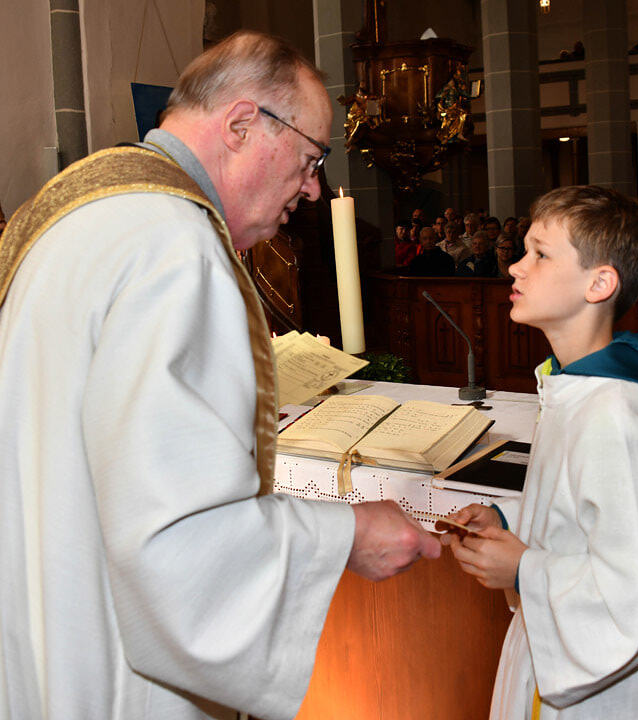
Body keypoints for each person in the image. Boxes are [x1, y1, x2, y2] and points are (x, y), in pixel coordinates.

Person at [0, 31, 440, 720]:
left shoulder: (82, 213)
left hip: (46, 619)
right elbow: (181, 540)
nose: (313, 188)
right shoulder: (176, 249)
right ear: (241, 125)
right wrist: (348, 535)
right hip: (115, 669)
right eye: (310, 157)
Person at [441, 185, 638, 720]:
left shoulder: (612, 411)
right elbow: (586, 515)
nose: (516, 267)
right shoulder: (578, 385)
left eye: (539, 254)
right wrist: (506, 518)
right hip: (555, 643)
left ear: (599, 283)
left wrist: (524, 570)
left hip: (601, 689)